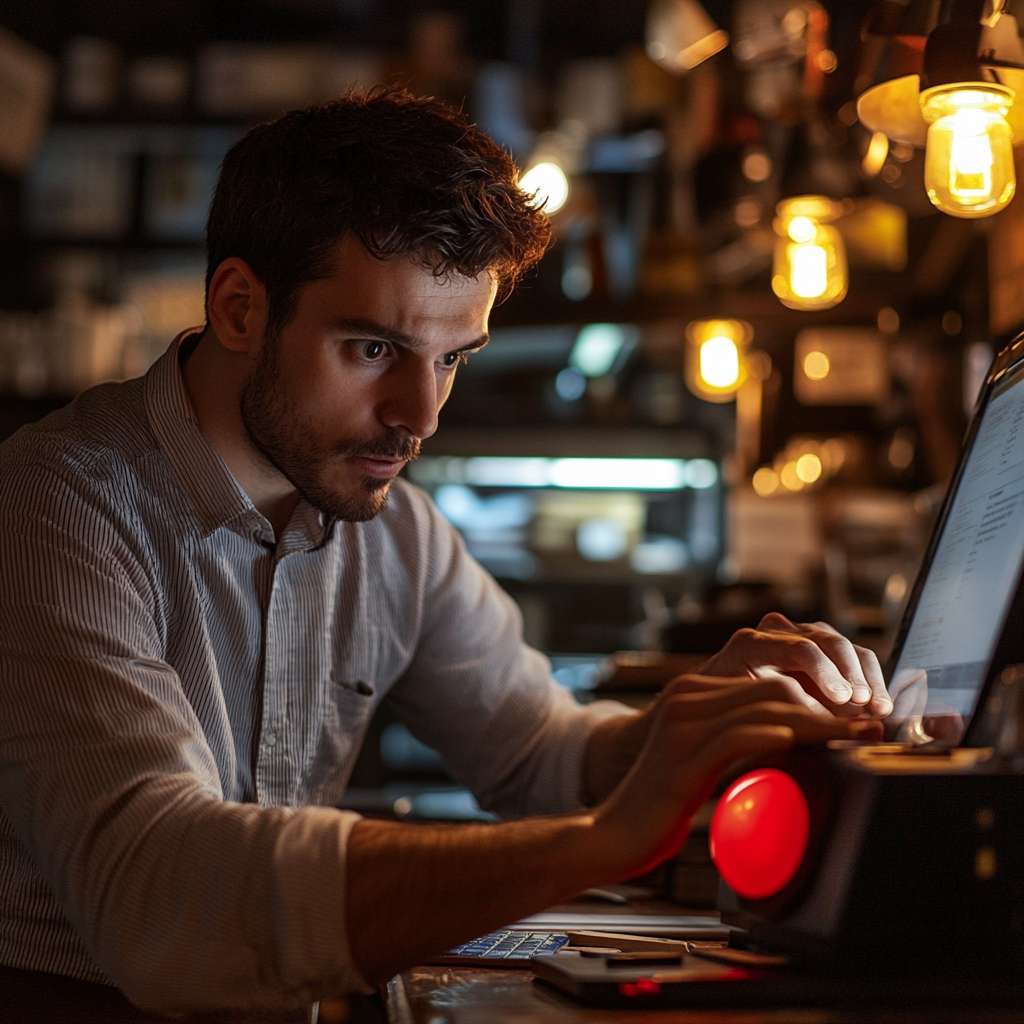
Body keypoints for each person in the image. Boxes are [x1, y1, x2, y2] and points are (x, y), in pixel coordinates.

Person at [0, 88, 891, 1015]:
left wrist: (694, 729)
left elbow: (539, 750)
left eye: (453, 358)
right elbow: (157, 899)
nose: (421, 416)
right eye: (375, 348)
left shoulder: (395, 533)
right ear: (239, 309)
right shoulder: (55, 510)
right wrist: (602, 841)